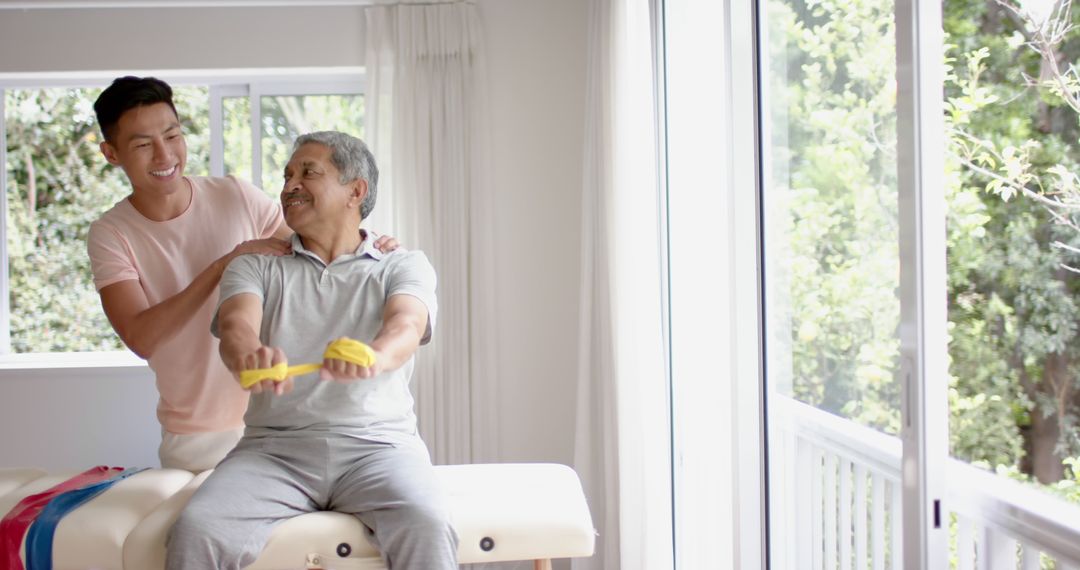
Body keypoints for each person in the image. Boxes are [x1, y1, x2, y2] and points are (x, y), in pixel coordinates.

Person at [166, 131, 456, 569]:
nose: (289, 185)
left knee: (428, 524)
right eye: (287, 175)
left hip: (378, 448)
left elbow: (407, 324)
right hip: (273, 452)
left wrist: (374, 356)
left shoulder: (401, 263)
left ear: (355, 191)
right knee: (198, 529)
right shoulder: (256, 264)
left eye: (308, 172)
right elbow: (235, 325)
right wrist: (249, 355)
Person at [86, 76, 397, 472]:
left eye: (172, 135)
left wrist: (373, 245)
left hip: (281, 418)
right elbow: (142, 336)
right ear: (111, 153)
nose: (165, 156)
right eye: (144, 145)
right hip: (196, 433)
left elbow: (317, 250)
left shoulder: (234, 194)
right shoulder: (111, 233)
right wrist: (221, 264)